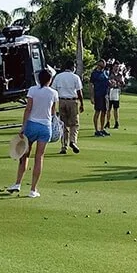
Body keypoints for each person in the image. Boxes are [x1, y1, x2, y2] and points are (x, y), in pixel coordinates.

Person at [7, 67, 58, 197]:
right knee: (39, 157)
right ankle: (33, 190)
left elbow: (28, 109)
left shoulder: (32, 90)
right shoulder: (53, 93)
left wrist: (23, 127)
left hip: (31, 125)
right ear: (50, 80)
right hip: (45, 127)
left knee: (24, 155)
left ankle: (17, 184)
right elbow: (53, 112)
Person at [50, 62, 83, 154]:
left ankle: (64, 146)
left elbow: (53, 89)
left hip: (61, 101)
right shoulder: (75, 77)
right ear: (72, 67)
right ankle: (73, 141)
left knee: (63, 124)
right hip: (72, 101)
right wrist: (82, 104)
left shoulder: (58, 76)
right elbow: (79, 92)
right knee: (74, 124)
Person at [90, 59, 111, 136]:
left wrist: (111, 83)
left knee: (104, 112)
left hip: (105, 95)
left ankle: (102, 129)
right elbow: (91, 85)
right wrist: (92, 97)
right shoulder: (94, 74)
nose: (103, 66)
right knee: (97, 112)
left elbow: (107, 82)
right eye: (102, 65)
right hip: (98, 95)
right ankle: (96, 130)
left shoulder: (106, 72)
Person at [107, 62, 126, 129]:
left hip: (116, 92)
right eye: (115, 66)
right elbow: (107, 82)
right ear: (113, 67)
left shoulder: (120, 75)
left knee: (116, 108)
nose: (116, 68)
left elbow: (123, 84)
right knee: (108, 109)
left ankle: (116, 122)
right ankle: (108, 122)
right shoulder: (109, 74)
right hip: (109, 92)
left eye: (117, 66)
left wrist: (121, 83)